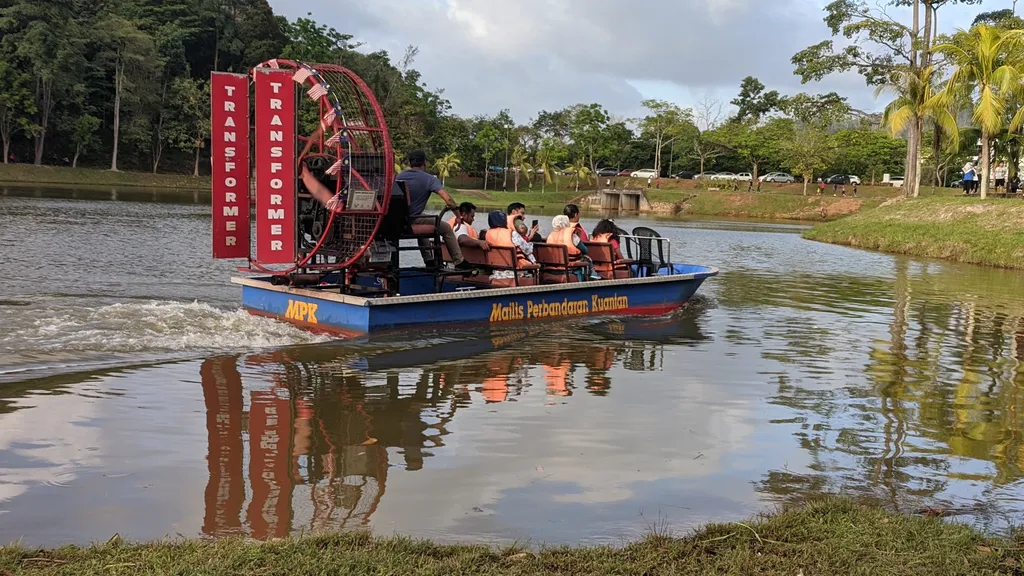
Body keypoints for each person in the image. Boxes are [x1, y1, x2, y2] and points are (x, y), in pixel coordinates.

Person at [300, 149, 471, 270]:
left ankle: (429, 261)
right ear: (424, 163)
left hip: (391, 221)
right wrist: (457, 215)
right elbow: (447, 198)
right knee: (445, 228)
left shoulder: (400, 176)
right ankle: (459, 261)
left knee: (426, 225)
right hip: (410, 221)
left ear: (410, 163)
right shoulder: (429, 179)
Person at [484, 210, 535, 281]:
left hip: (497, 271)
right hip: (514, 271)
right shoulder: (512, 233)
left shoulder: (488, 233)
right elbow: (527, 250)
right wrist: (530, 244)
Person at [548, 215, 599, 281]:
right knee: (586, 258)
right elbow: (585, 250)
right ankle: (592, 274)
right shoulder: (572, 236)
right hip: (570, 267)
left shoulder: (551, 235)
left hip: (553, 268)